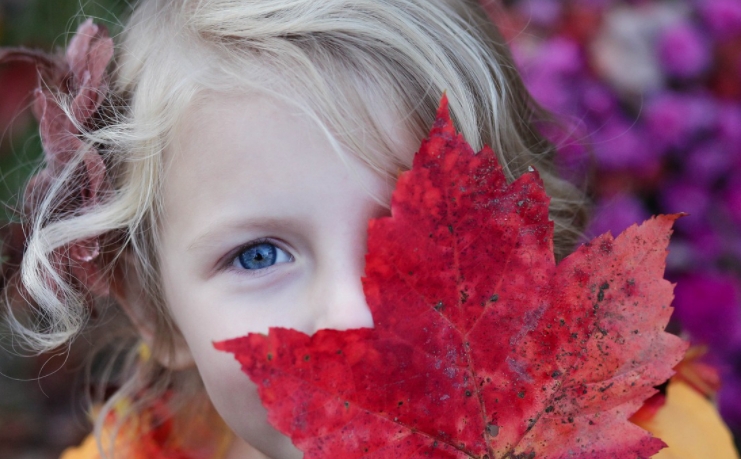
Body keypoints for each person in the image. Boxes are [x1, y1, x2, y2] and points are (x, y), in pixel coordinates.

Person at [0, 1, 736, 458]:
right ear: (152, 310)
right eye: (258, 253)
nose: (355, 313)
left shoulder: (652, 439)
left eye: (416, 233)